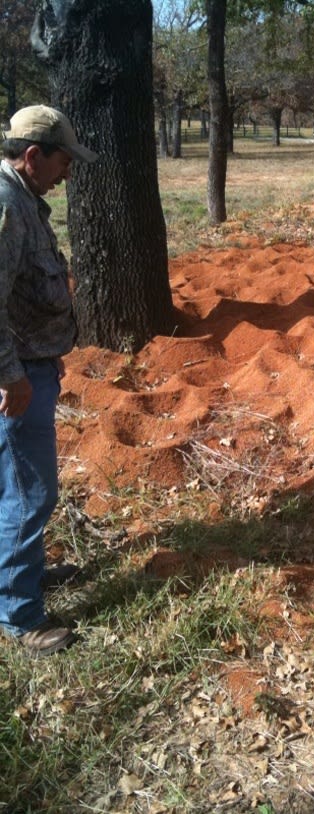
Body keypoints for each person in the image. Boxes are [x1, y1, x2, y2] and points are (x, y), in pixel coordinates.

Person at [0, 105, 97, 656]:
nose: (68, 171)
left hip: (30, 363)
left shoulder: (23, 198)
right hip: (16, 378)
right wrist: (12, 376)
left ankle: (23, 577)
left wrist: (45, 352)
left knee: (17, 484)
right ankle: (19, 612)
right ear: (34, 155)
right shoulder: (7, 205)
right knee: (30, 490)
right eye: (64, 160)